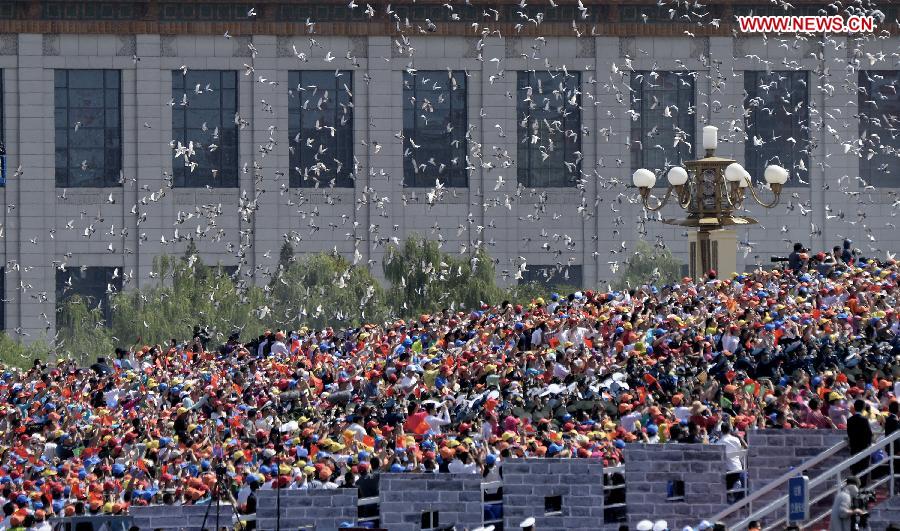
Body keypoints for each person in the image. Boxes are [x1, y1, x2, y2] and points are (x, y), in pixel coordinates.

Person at [847, 399, 874, 485]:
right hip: (864, 449)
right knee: (864, 473)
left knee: (855, 472)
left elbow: (849, 434)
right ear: (863, 408)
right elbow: (869, 434)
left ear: (854, 408)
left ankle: (855, 491)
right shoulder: (864, 420)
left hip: (854, 449)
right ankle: (862, 492)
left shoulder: (850, 420)